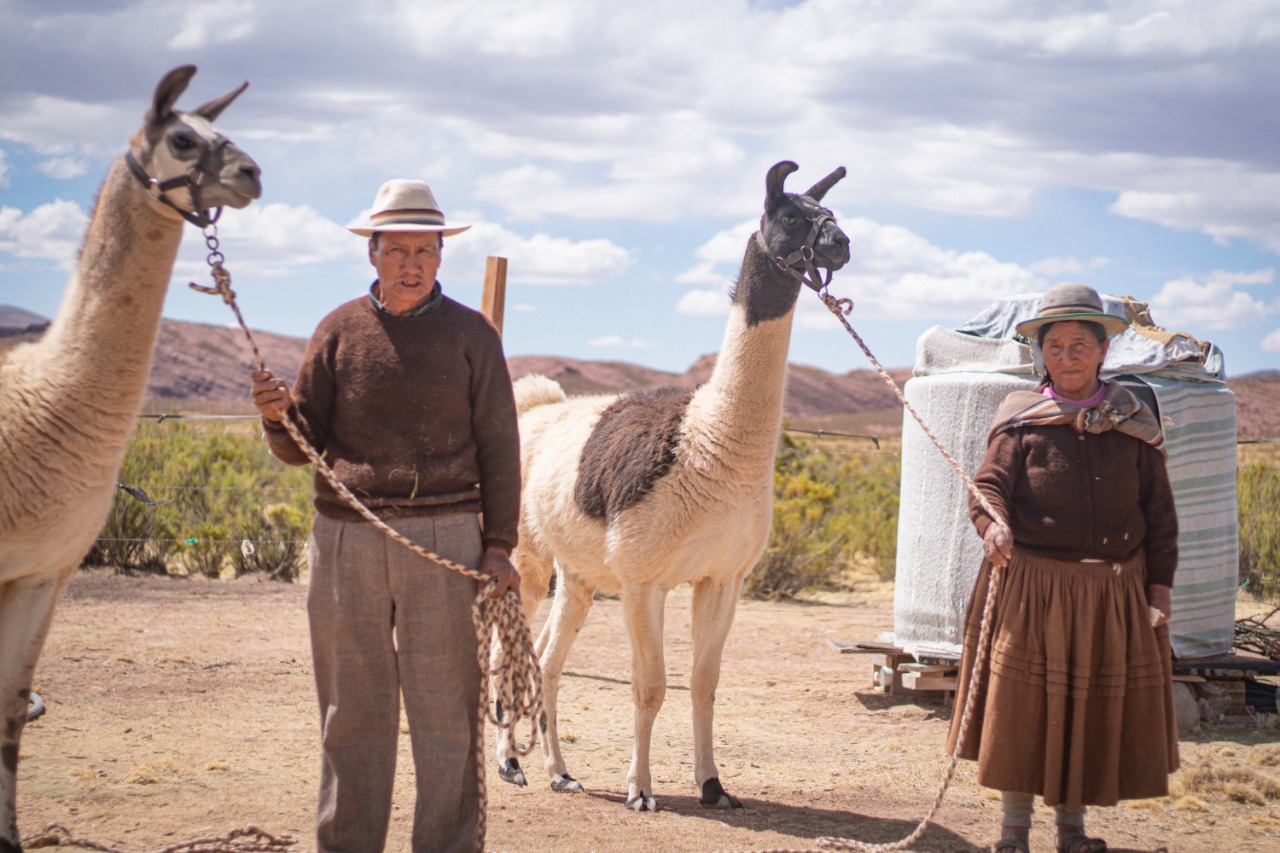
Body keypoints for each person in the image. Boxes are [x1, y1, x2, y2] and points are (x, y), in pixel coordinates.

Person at [250, 178, 521, 853]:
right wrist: (274, 416)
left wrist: (499, 545)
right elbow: (301, 444)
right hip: (347, 539)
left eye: (424, 251)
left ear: (439, 255)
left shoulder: (472, 336)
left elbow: (500, 446)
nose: (411, 264)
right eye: (397, 250)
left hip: (447, 540)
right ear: (372, 252)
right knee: (351, 712)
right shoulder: (338, 331)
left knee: (447, 714)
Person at [947, 283, 1179, 853]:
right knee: (1025, 712)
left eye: (1080, 344)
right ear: (1041, 354)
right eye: (1055, 345)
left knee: (1086, 709)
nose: (1067, 355)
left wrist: (1159, 589)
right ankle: (1013, 835)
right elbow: (988, 487)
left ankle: (1072, 833)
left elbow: (1160, 514)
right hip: (1033, 589)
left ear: (1103, 351)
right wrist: (992, 523)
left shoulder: (1134, 421)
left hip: (1112, 592)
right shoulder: (1022, 419)